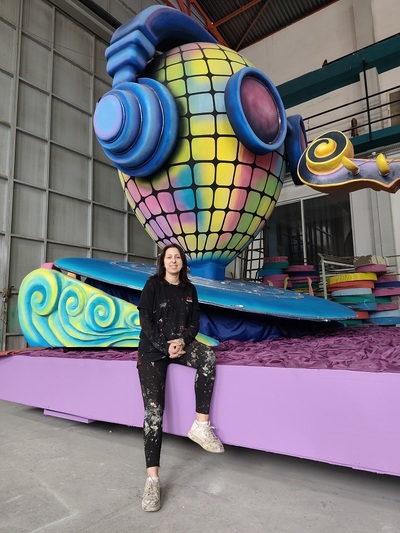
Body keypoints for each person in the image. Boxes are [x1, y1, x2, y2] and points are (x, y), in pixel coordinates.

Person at [136, 243, 224, 512]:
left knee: (208, 357)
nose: (173, 261)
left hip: (180, 345)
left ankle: (200, 425)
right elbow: (145, 321)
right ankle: (152, 480)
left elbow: (194, 323)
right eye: (169, 257)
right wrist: (166, 347)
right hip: (153, 350)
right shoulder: (152, 285)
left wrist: (182, 342)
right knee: (154, 413)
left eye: (177, 257)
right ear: (162, 262)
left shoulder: (189, 290)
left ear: (183, 263)